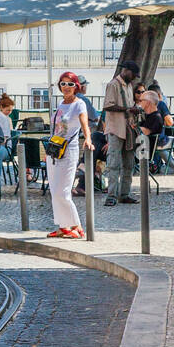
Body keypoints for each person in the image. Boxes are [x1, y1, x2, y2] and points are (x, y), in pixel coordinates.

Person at [46, 71, 92, 238]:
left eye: (70, 84)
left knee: (63, 191)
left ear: (76, 87)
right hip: (54, 150)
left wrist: (88, 138)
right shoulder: (60, 104)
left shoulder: (79, 104)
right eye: (63, 83)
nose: (66, 87)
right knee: (54, 190)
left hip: (68, 150)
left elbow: (84, 123)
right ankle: (63, 226)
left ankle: (76, 226)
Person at [101, 60, 140, 206]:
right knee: (114, 163)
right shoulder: (113, 85)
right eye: (134, 74)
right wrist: (128, 109)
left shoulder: (129, 85)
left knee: (129, 164)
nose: (135, 78)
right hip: (116, 129)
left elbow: (129, 106)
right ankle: (111, 195)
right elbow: (108, 106)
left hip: (128, 129)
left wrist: (134, 109)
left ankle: (124, 194)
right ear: (126, 71)